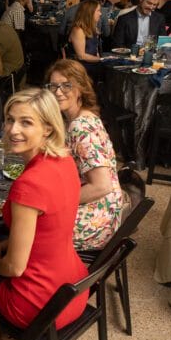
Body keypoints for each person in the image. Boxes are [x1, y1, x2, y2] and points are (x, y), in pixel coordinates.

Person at [0, 88, 89, 331]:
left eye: (26, 122)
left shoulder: (29, 185)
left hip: (38, 306)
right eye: (10, 120)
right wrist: (3, 246)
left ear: (48, 128)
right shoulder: (65, 160)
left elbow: (14, 268)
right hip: (73, 288)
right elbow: (46, 230)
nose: (13, 129)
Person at [45, 60, 124, 250]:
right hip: (105, 208)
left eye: (66, 85)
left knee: (31, 222)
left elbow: (102, 186)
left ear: (80, 87)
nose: (58, 92)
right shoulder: (83, 115)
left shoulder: (80, 127)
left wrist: (58, 203)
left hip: (98, 218)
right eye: (53, 86)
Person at [68, 0, 102, 64]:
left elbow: (95, 52)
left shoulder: (92, 28)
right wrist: (102, 60)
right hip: (80, 66)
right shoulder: (78, 30)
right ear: (90, 13)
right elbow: (81, 56)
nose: (100, 14)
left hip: (92, 64)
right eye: (98, 11)